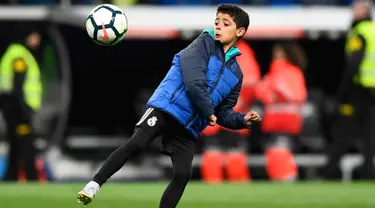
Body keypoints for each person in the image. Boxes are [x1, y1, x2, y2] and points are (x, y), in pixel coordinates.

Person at [77, 4, 261, 208]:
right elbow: (194, 81)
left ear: (240, 31)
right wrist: (208, 111)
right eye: (217, 22)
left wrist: (242, 120)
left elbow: (224, 112)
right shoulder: (203, 44)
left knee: (183, 174)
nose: (218, 27)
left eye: (225, 24)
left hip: (187, 125)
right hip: (166, 108)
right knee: (137, 143)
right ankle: (93, 185)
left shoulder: (236, 74)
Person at [321, 0, 375, 179]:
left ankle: (330, 170)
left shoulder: (359, 32)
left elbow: (353, 64)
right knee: (370, 134)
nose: (353, 12)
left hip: (359, 91)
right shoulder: (373, 31)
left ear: (364, 12)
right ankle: (368, 171)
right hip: (372, 91)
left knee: (343, 130)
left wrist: (341, 94)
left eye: (356, 9)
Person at [254, 42, 307, 181]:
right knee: (273, 154)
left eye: (280, 53)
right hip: (273, 121)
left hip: (286, 120)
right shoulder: (273, 73)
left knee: (281, 152)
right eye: (275, 53)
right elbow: (260, 91)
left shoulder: (293, 72)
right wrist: (271, 95)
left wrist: (277, 92)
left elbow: (297, 95)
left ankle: (288, 180)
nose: (276, 56)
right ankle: (280, 182)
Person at [0, 27, 43, 181]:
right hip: (18, 108)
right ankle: (31, 177)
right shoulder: (20, 55)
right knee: (27, 145)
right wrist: (24, 109)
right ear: (28, 36)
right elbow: (18, 85)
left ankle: (10, 177)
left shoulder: (14, 52)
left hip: (11, 105)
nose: (38, 40)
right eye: (35, 36)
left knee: (15, 144)